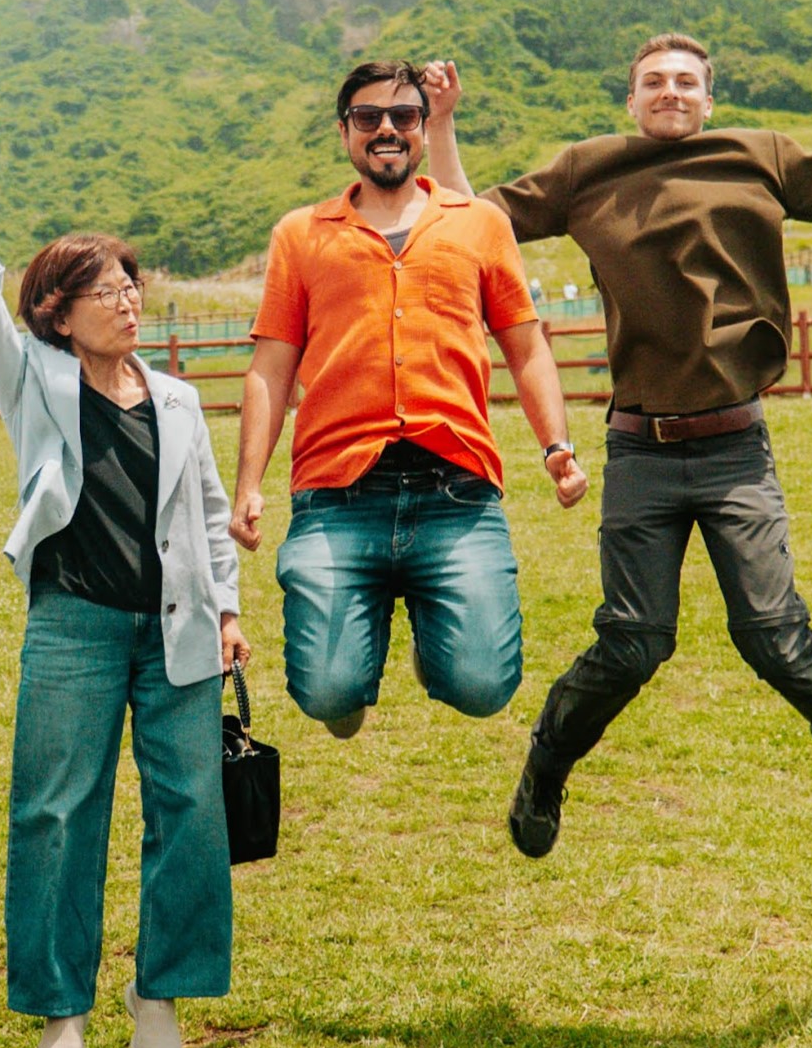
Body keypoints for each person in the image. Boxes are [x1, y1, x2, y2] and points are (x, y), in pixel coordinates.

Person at [425, 35, 812, 861]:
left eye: (685, 82)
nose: (669, 92)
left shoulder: (759, 156)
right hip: (638, 447)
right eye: (653, 82)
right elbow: (466, 225)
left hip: (733, 445)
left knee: (774, 636)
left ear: (710, 98)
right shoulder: (587, 169)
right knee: (632, 641)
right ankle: (545, 766)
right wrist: (439, 124)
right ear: (631, 99)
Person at [0, 121, 246, 1048]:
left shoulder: (179, 399)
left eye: (129, 284)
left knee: (192, 810)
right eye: (103, 291)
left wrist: (230, 608)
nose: (126, 300)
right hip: (72, 624)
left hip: (178, 629)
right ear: (59, 312)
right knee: (55, 813)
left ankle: (156, 995)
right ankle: (59, 1011)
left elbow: (205, 511)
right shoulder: (32, 378)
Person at [230, 60, 588, 738]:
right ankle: (346, 680)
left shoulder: (477, 223)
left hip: (453, 488)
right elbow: (270, 368)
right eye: (368, 117)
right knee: (327, 692)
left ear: (424, 130)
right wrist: (248, 483)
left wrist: (557, 447)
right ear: (344, 132)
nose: (386, 129)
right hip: (337, 491)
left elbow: (525, 344)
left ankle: (437, 643)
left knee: (482, 687)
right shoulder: (301, 233)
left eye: (403, 117)